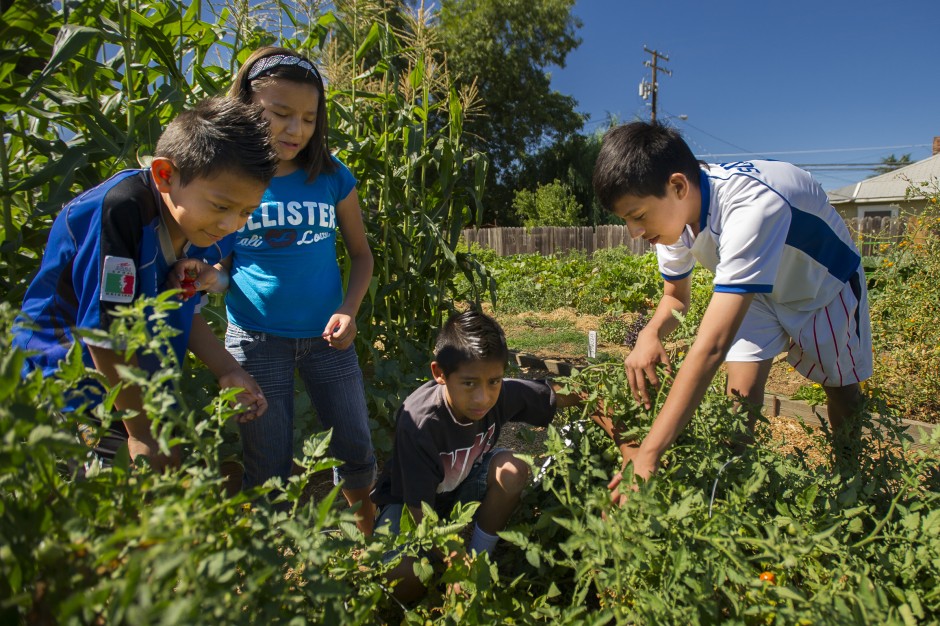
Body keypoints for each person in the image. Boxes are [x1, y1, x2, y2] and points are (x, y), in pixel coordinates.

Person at [591, 121, 872, 495]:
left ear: (677, 186)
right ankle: (733, 487)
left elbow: (710, 347)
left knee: (841, 390)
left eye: (637, 216)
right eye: (626, 219)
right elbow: (675, 296)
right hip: (756, 293)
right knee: (739, 397)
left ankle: (851, 483)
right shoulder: (675, 218)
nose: (634, 232)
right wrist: (650, 333)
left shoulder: (750, 209)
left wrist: (649, 453)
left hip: (822, 285)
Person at [13, 97, 278, 472]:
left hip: (133, 389)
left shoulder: (203, 228)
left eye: (246, 212)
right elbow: (104, 332)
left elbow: (181, 304)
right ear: (165, 175)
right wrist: (142, 433)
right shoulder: (120, 212)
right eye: (222, 207)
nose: (231, 224)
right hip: (64, 386)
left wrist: (227, 370)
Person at [217, 47, 377, 533]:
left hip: (329, 339)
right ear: (246, 107)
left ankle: (368, 541)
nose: (295, 130)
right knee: (267, 462)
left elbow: (361, 254)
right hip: (254, 340)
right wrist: (209, 280)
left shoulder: (330, 176)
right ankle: (269, 566)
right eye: (280, 114)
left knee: (355, 446)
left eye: (308, 118)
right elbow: (222, 267)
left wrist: (349, 310)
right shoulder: (232, 179)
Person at [371, 309, 634, 602]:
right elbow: (419, 511)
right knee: (401, 574)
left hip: (459, 486)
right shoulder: (419, 422)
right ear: (440, 374)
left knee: (513, 470)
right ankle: (421, 600)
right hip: (408, 504)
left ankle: (480, 556)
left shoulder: (502, 394)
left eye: (494, 381)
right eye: (469, 383)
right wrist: (454, 562)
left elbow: (580, 393)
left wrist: (631, 452)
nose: (483, 398)